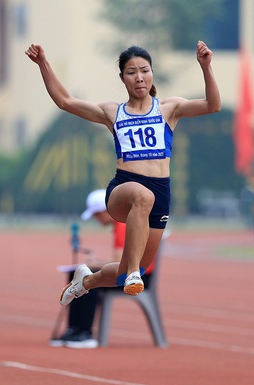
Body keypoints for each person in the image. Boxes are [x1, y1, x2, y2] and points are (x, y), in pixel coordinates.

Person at [25, 40, 220, 305]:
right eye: (131, 72)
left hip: (161, 193)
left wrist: (206, 67)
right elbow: (64, 101)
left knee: (134, 270)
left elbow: (212, 105)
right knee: (142, 199)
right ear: (123, 78)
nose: (139, 77)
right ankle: (129, 275)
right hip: (123, 189)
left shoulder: (168, 109)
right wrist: (43, 64)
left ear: (152, 74)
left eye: (144, 70)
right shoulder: (113, 112)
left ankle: (85, 280)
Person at [50, 189, 156, 349]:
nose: (96, 219)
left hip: (136, 276)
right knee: (78, 273)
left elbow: (122, 263)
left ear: (105, 211)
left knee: (88, 277)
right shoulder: (124, 222)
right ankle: (74, 330)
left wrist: (96, 264)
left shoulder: (124, 224)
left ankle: (84, 332)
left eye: (96, 215)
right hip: (134, 272)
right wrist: (97, 262)